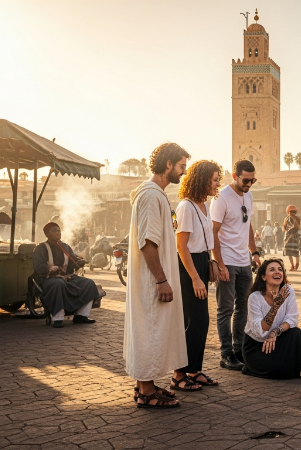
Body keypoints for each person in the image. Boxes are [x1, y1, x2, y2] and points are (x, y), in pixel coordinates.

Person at [124, 142, 190, 408]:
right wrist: (161, 279)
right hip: (152, 281)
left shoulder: (155, 194)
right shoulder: (151, 195)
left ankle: (146, 386)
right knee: (150, 331)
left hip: (154, 278)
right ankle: (147, 392)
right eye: (181, 166)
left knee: (152, 330)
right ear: (168, 165)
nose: (183, 172)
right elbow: (147, 242)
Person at [174, 160, 221, 390]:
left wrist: (213, 264)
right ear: (202, 180)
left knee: (200, 322)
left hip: (202, 261)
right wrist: (195, 277)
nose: (217, 183)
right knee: (195, 321)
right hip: (188, 265)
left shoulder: (204, 204)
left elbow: (205, 238)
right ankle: (178, 376)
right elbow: (181, 246)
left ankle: (194, 370)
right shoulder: (185, 207)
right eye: (214, 179)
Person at [211, 159, 262, 371]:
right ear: (235, 176)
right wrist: (220, 264)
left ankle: (239, 349)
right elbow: (213, 232)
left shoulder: (248, 196)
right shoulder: (221, 198)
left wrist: (254, 252)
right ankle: (226, 354)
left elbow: (248, 225)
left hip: (243, 262)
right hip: (227, 263)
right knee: (225, 309)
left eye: (253, 180)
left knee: (243, 308)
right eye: (245, 180)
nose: (249, 184)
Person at [242, 259, 301, 379]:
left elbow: (291, 319)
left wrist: (275, 332)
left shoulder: (288, 290)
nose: (277, 272)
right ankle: (252, 366)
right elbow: (260, 330)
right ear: (263, 277)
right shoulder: (255, 297)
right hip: (256, 344)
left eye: (280, 269)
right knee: (277, 371)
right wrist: (276, 306)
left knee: (296, 333)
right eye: (272, 270)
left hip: (276, 338)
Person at [33, 222, 99, 328]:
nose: (58, 232)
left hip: (67, 277)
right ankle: (58, 318)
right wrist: (52, 269)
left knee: (89, 284)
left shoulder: (65, 247)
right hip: (49, 278)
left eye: (59, 230)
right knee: (58, 284)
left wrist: (78, 262)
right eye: (54, 231)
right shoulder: (41, 248)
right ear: (47, 234)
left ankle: (81, 315)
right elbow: (39, 268)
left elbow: (73, 261)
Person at [283, 206, 301, 271]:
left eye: (293, 212)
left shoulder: (297, 218)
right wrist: (285, 231)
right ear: (288, 212)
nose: (292, 213)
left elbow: (299, 228)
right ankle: (292, 265)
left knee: (296, 251)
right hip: (288, 237)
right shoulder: (286, 219)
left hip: (295, 236)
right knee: (288, 251)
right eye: (290, 212)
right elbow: (284, 226)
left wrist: (294, 220)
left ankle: (297, 262)